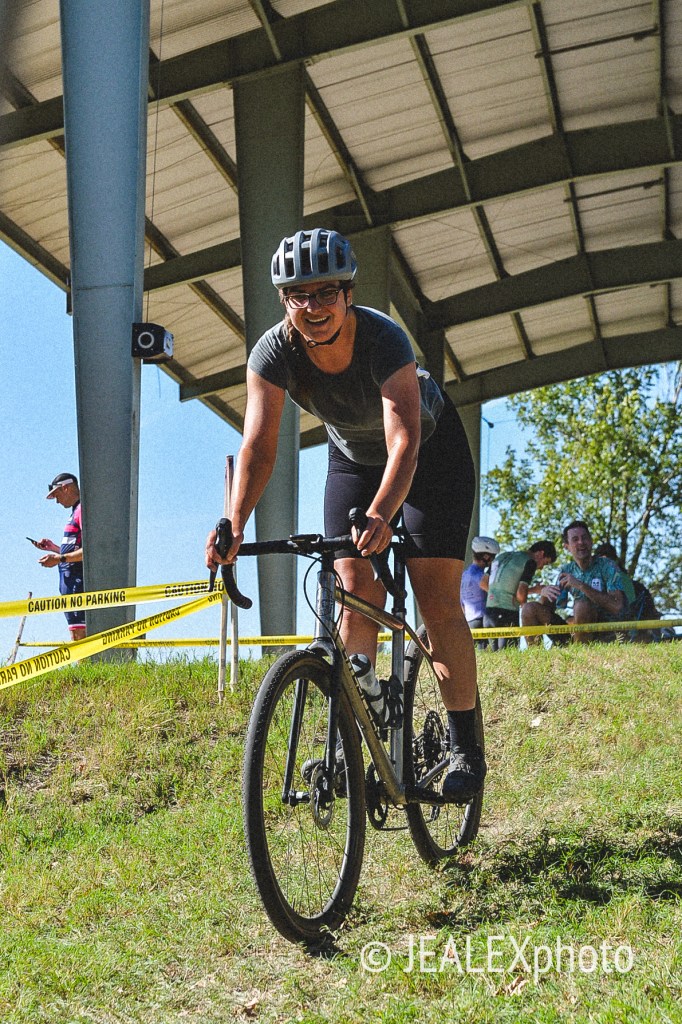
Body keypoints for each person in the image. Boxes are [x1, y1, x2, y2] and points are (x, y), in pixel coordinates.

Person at [205, 228, 484, 803]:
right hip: (354, 457)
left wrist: (383, 513)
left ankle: (465, 747)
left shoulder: (384, 339)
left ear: (348, 294)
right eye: (299, 295)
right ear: (284, 300)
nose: (313, 307)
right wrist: (233, 523)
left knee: (434, 597)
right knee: (352, 588)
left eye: (326, 293)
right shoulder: (273, 353)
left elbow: (404, 439)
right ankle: (351, 738)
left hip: (429, 453)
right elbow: (258, 445)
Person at [522, 521, 628, 644]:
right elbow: (550, 608)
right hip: (576, 632)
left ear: (591, 541)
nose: (581, 542)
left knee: (582, 605)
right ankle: (536, 654)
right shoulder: (566, 571)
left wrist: (580, 585)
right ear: (566, 546)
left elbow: (617, 606)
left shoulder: (607, 565)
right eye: (575, 539)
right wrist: (545, 594)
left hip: (606, 633)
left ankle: (580, 652)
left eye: (584, 538)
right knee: (529, 608)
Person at [36, 473, 85, 640]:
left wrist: (59, 559)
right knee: (76, 635)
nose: (57, 501)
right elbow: (76, 549)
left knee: (80, 637)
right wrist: (55, 549)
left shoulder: (82, 510)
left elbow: (91, 552)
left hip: (78, 583)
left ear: (66, 488)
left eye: (57, 496)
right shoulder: (75, 511)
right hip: (70, 582)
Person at [483, 541, 557, 650]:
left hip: (488, 613)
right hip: (508, 614)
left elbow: (483, 583)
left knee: (493, 657)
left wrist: (532, 590)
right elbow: (521, 595)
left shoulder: (502, 556)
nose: (541, 568)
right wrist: (526, 608)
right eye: (545, 563)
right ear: (541, 553)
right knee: (508, 656)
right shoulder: (530, 562)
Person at [460, 535, 500, 647]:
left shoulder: (464, 575)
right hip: (481, 620)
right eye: (493, 557)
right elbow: (490, 591)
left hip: (468, 622)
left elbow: (461, 604)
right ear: (486, 557)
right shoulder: (480, 576)